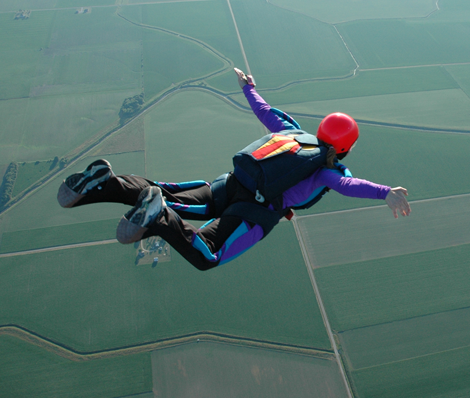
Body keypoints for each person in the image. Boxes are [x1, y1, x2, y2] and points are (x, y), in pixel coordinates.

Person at [57, 68, 410, 271]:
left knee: (169, 198)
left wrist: (248, 87)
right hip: (253, 213)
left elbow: (264, 110)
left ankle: (105, 184)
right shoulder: (326, 172)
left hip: (227, 185)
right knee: (207, 253)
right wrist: (385, 193)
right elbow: (350, 186)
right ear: (346, 146)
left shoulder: (293, 132)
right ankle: (158, 216)